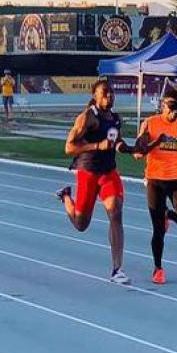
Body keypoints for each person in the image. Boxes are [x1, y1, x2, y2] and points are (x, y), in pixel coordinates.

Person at [56, 78, 130, 285]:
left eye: (112, 92)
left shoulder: (115, 119)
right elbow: (69, 148)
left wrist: (129, 148)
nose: (110, 95)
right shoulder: (87, 118)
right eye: (105, 92)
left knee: (116, 211)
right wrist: (97, 146)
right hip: (88, 171)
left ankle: (117, 269)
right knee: (81, 224)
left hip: (108, 172)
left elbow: (116, 141)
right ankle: (65, 197)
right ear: (95, 96)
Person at [129, 88, 177, 285]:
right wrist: (155, 142)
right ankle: (158, 268)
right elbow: (137, 154)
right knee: (158, 229)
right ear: (162, 105)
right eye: (171, 108)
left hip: (176, 180)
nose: (174, 112)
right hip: (155, 181)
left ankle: (169, 215)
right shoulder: (150, 124)